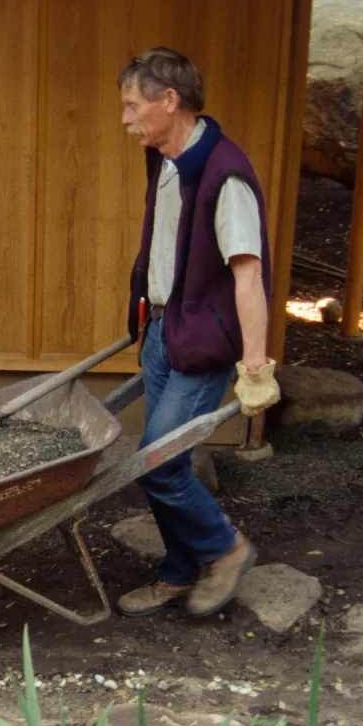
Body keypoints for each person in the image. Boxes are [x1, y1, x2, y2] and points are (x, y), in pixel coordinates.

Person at [114, 47, 281, 619]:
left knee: (158, 463)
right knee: (167, 463)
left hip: (200, 342)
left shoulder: (224, 174)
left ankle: (226, 550)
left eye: (133, 106)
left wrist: (254, 366)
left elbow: (249, 272)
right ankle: (181, 574)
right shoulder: (168, 159)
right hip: (163, 331)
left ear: (170, 100)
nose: (125, 119)